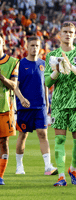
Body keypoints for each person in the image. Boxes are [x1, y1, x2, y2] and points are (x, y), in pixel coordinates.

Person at [44, 22, 76, 186]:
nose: (68, 34)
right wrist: (57, 70)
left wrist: (72, 68)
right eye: (65, 32)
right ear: (59, 34)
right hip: (59, 103)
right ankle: (61, 176)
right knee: (59, 140)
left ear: (75, 35)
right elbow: (47, 82)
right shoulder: (52, 55)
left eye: (71, 32)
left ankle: (73, 168)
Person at [14, 36, 57, 175]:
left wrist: (47, 104)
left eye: (37, 45)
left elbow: (45, 86)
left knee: (43, 134)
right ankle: (19, 166)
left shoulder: (43, 64)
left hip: (40, 107)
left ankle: (48, 166)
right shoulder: (20, 64)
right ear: (27, 46)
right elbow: (15, 86)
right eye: (32, 45)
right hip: (24, 107)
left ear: (40, 47)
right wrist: (21, 99)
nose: (34, 48)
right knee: (22, 135)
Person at [0, 33, 19, 185]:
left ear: (3, 43)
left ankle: (0, 176)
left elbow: (14, 85)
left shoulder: (12, 62)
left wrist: (2, 78)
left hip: (5, 108)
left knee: (3, 143)